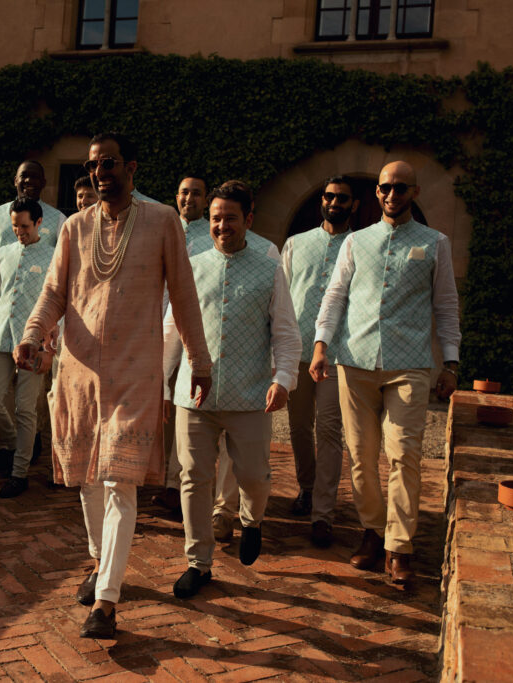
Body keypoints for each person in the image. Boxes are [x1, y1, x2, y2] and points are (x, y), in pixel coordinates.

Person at [14, 132, 211, 639]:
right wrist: (32, 335)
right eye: (94, 165)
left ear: (132, 167)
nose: (101, 172)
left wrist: (201, 362)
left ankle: (106, 601)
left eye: (110, 163)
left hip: (134, 371)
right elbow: (54, 291)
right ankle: (100, 561)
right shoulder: (76, 227)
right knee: (85, 477)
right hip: (78, 372)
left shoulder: (163, 220)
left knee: (119, 481)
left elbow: (186, 297)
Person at [310, 161, 460, 585]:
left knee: (404, 454)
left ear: (413, 191)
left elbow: (446, 306)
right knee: (360, 456)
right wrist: (321, 346)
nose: (391, 194)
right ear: (376, 193)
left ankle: (399, 546)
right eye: (384, 188)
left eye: (400, 187)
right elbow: (334, 299)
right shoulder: (356, 242)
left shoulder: (435, 244)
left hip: (409, 365)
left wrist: (450, 362)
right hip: (353, 362)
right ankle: (373, 531)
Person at [165, 181, 300, 598]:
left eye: (231, 218)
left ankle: (251, 520)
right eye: (217, 218)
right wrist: (158, 378)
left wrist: (282, 380)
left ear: (249, 220)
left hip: (251, 394)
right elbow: (172, 328)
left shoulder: (269, 270)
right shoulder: (191, 266)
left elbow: (286, 333)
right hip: (194, 394)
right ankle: (198, 562)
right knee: (193, 477)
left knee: (254, 476)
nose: (222, 225)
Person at [281, 176, 358, 547]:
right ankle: (307, 488)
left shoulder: (360, 246)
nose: (335, 202)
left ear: (353, 204)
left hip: (337, 354)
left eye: (342, 198)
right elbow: (280, 298)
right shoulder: (296, 244)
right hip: (296, 351)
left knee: (328, 429)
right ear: (321, 201)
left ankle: (323, 513)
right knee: (298, 427)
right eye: (329, 196)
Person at [0, 198, 56, 498]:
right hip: (0, 338)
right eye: (14, 227)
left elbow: (58, 306)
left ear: (38, 223)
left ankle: (19, 473)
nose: (19, 232)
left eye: (24, 226)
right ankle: (13, 443)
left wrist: (50, 346)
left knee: (25, 408)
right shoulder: (2, 253)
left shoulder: (53, 257)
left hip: (34, 344)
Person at [153, 174, 211, 514]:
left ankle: (176, 484)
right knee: (153, 403)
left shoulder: (211, 238)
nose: (189, 198)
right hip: (151, 329)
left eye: (196, 194)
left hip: (188, 332)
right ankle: (153, 475)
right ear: (176, 196)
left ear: (205, 199)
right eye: (184, 192)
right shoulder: (163, 228)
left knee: (180, 407)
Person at [0, 161, 66, 327]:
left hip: (40, 314)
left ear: (43, 182)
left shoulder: (58, 219)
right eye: (24, 176)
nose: (28, 180)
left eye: (34, 177)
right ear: (15, 180)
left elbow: (66, 265)